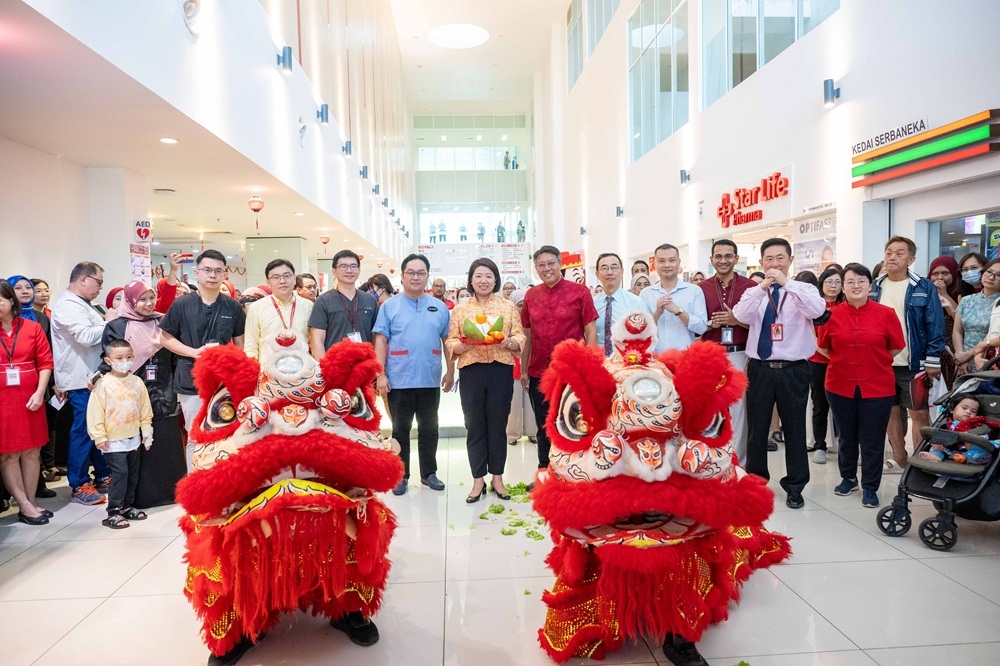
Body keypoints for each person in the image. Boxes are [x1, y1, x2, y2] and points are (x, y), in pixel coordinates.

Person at [733, 238, 826, 509]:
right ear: (761, 262)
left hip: (793, 369)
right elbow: (741, 315)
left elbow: (817, 309)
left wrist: (787, 284)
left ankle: (795, 486)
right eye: (769, 259)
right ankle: (756, 482)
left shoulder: (803, 288)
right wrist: (762, 288)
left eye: (780, 258)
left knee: (795, 429)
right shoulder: (754, 291)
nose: (775, 264)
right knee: (757, 430)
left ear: (790, 260)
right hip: (760, 369)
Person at [100, 281, 200, 508]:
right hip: (131, 393)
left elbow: (176, 357)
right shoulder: (117, 326)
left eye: (151, 298)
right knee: (137, 447)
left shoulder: (162, 323)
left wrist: (177, 388)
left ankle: (173, 493)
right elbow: (109, 360)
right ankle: (137, 498)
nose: (147, 304)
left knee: (166, 442)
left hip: (164, 389)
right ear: (131, 301)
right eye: (141, 299)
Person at [818, 264, 905, 508]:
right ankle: (848, 478)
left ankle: (870, 486)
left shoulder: (886, 314)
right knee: (846, 436)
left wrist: (873, 359)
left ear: (870, 285)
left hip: (877, 386)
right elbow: (822, 347)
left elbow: (896, 346)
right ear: (843, 287)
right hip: (839, 385)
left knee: (872, 439)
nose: (856, 286)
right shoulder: (831, 315)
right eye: (850, 282)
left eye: (861, 281)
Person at [445, 258, 525, 503]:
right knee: (475, 426)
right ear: (471, 280)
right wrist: (460, 345)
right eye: (478, 276)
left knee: (497, 425)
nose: (483, 280)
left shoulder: (508, 307)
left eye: (488, 276)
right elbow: (450, 341)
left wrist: (509, 342)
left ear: (495, 280)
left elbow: (520, 336)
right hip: (471, 371)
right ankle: (477, 479)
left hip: (500, 370)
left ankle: (498, 478)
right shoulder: (460, 309)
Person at [159, 249, 246, 471]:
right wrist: (193, 352)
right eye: (207, 270)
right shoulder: (182, 304)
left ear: (225, 274)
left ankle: (221, 483)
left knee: (225, 431)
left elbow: (240, 345)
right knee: (195, 433)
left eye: (218, 271)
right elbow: (164, 337)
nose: (212, 275)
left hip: (223, 380)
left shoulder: (233, 307)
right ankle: (195, 485)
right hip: (190, 379)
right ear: (197, 272)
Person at [373, 254, 453, 495]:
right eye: (411, 272)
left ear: (427, 275)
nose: (415, 276)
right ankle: (400, 475)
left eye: (420, 272)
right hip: (399, 377)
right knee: (400, 429)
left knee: (430, 428)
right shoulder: (390, 306)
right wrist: (380, 374)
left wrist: (451, 370)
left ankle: (429, 473)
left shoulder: (439, 307)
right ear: (402, 275)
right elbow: (380, 339)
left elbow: (447, 340)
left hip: (429, 377)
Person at [521, 245, 598, 482]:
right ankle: (545, 472)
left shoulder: (580, 292)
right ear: (536, 268)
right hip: (538, 371)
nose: (547, 268)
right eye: (541, 265)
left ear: (559, 264)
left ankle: (575, 473)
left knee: (573, 423)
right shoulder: (530, 296)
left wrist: (592, 366)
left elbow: (590, 331)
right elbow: (527, 334)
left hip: (572, 371)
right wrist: (524, 370)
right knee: (544, 425)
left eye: (551, 263)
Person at [869, 236, 944, 472]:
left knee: (919, 413)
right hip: (882, 363)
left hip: (914, 362)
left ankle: (921, 462)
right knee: (890, 412)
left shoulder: (923, 286)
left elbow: (934, 324)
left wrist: (932, 361)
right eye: (889, 252)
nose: (892, 257)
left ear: (910, 259)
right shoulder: (875, 286)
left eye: (899, 253)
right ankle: (901, 459)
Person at [51, 261, 113, 506]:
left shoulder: (83, 304)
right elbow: (86, 337)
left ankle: (102, 475)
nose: (99, 288)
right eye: (98, 282)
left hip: (93, 376)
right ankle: (78, 483)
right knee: (85, 431)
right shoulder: (67, 305)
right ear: (83, 279)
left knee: (98, 430)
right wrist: (109, 321)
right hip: (80, 379)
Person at [0, 280, 54, 525]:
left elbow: (45, 362)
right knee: (9, 454)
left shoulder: (31, 328)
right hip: (3, 400)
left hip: (31, 396)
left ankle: (30, 502)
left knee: (32, 451)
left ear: (11, 301)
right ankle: (22, 504)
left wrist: (40, 392)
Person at [699, 240, 757, 465]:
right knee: (710, 409)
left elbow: (760, 325)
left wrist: (736, 320)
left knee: (739, 409)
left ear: (736, 258)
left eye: (728, 256)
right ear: (712, 259)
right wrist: (708, 324)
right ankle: (711, 462)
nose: (723, 260)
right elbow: (693, 324)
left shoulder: (750, 287)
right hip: (710, 354)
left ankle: (738, 463)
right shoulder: (700, 289)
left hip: (739, 353)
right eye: (718, 256)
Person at [87, 339, 153, 528]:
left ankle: (126, 506)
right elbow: (95, 412)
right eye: (119, 357)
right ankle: (113, 511)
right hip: (112, 440)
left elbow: (144, 408)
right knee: (120, 474)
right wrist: (99, 436)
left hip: (133, 437)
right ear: (108, 361)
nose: (125, 360)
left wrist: (146, 430)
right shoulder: (103, 384)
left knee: (132, 473)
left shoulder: (136, 381)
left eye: (129, 357)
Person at [638, 244, 708, 353]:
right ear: (655, 264)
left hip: (684, 358)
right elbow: (640, 331)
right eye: (661, 261)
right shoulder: (646, 293)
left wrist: (678, 311)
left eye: (671, 260)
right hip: (655, 359)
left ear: (679, 263)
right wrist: (657, 313)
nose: (667, 265)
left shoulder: (694, 291)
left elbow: (701, 328)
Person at [310, 250, 380, 359]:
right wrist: (323, 369)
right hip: (335, 366)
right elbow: (317, 340)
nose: (349, 270)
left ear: (359, 270)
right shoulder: (323, 301)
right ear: (334, 271)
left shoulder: (369, 300)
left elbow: (377, 336)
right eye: (343, 266)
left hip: (365, 365)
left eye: (353, 266)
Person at [808, 267, 845, 464]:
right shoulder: (814, 306)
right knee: (820, 404)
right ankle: (820, 445)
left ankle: (844, 443)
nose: (833, 286)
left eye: (838, 282)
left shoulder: (846, 306)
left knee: (842, 405)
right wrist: (829, 355)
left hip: (843, 363)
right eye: (829, 281)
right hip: (818, 362)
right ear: (821, 284)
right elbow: (811, 335)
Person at [244, 259, 313, 363]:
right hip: (268, 372)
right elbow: (251, 346)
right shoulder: (256, 308)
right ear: (268, 282)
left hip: (302, 371)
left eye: (287, 276)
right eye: (276, 277)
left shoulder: (308, 306)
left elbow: (315, 342)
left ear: (294, 279)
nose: (282, 281)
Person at [593, 253, 646, 357]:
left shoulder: (635, 302)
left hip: (626, 362)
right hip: (598, 363)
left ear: (622, 271)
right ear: (597, 274)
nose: (609, 272)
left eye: (614, 267)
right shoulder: (591, 304)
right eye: (604, 268)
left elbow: (643, 336)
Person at [954, 258, 1000, 373]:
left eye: (998, 275)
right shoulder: (966, 300)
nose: (991, 277)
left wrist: (969, 355)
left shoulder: (998, 303)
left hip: (988, 361)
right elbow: (957, 331)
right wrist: (961, 356)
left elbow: (992, 336)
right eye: (989, 272)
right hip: (963, 361)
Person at [917, 397, 993, 464]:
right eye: (964, 408)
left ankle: (966, 458)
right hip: (948, 449)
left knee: (982, 448)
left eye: (973, 411)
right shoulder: (945, 423)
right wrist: (935, 442)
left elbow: (984, 435)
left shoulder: (976, 424)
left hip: (968, 450)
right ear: (952, 410)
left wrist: (973, 441)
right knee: (935, 446)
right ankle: (936, 456)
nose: (968, 412)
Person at [505, 289, 537, 446]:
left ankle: (533, 432)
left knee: (532, 403)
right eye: (519, 305)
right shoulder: (507, 323)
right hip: (512, 369)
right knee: (514, 403)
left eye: (526, 304)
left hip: (532, 367)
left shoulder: (535, 321)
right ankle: (512, 434)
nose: (523, 308)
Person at [928, 256, 962, 386]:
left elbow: (960, 318)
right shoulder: (925, 291)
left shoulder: (960, 292)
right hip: (933, 350)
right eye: (935, 273)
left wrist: (944, 294)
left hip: (954, 350)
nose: (939, 277)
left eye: (945, 273)